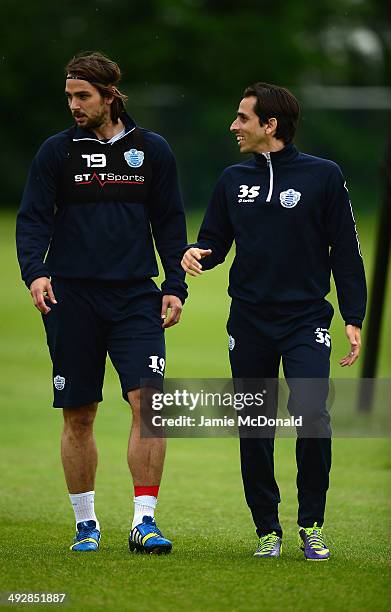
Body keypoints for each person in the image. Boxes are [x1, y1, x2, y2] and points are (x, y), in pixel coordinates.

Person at [181, 82, 366, 560]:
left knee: (312, 416)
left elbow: (345, 249)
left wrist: (353, 314)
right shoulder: (230, 179)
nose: (233, 126)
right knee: (255, 424)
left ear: (271, 125)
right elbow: (215, 240)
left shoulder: (323, 176)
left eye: (242, 118)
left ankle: (311, 524)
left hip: (306, 319)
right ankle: (268, 529)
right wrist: (199, 254)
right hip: (248, 321)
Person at [16, 51, 187, 554]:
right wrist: (36, 272)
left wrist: (175, 283)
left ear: (110, 96)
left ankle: (144, 520)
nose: (73, 104)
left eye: (82, 96)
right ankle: (86, 523)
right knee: (79, 414)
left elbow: (171, 223)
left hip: (136, 295)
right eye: (69, 95)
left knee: (150, 405)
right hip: (72, 297)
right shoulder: (56, 152)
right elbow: (32, 220)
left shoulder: (152, 150)